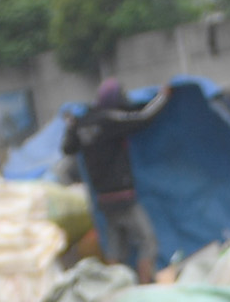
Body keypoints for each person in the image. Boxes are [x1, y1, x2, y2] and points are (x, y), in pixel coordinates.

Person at [69, 78, 172, 278]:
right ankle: (145, 289)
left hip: (103, 199)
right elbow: (143, 117)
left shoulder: (84, 122)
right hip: (122, 195)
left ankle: (114, 286)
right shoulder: (110, 120)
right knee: (147, 242)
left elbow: (68, 147)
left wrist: (71, 126)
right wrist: (163, 97)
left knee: (116, 248)